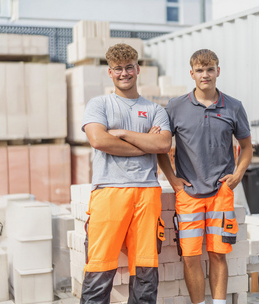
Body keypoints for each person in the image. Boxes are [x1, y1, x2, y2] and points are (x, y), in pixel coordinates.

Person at [157, 49, 253, 304]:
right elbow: (161, 148)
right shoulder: (175, 107)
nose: (205, 75)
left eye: (210, 69)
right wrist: (174, 181)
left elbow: (246, 147)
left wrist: (237, 175)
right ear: (192, 74)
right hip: (188, 194)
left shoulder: (234, 106)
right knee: (189, 256)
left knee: (218, 254)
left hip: (221, 193)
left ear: (218, 71)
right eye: (199, 70)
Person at [80, 43, 172, 303]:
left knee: (145, 272)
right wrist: (144, 145)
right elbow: (98, 140)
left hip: (147, 194)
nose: (124, 73)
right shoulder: (98, 104)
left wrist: (121, 134)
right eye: (118, 69)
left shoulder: (155, 110)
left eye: (129, 67)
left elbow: (164, 144)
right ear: (110, 73)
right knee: (99, 268)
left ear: (137, 69)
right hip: (108, 192)